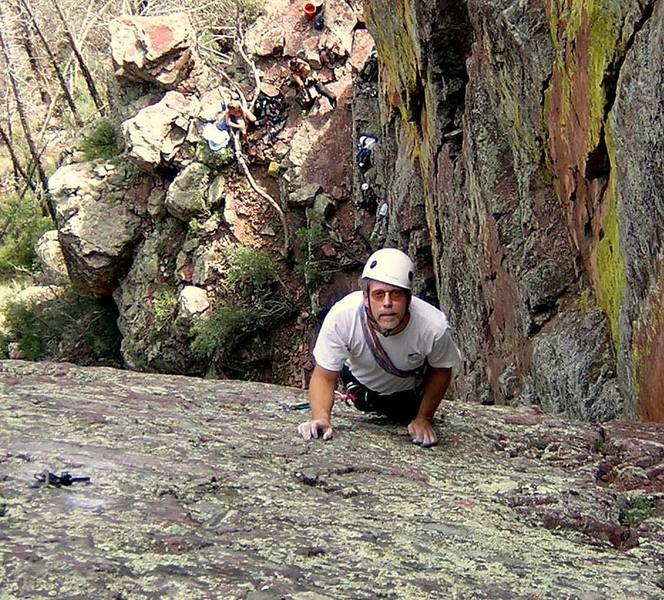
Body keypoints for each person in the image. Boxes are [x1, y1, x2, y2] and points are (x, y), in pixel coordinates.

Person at [297, 248, 461, 447]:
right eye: (378, 294)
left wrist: (423, 418)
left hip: (408, 399)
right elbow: (324, 375)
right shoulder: (343, 317)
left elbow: (441, 370)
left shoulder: (433, 326)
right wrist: (321, 417)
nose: (387, 303)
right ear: (365, 298)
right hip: (360, 389)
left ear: (409, 298)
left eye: (396, 294)